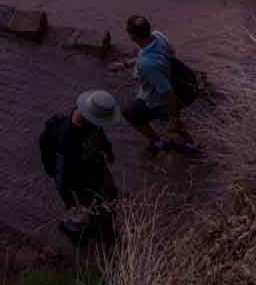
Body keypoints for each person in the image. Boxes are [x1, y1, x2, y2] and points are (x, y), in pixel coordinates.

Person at [42, 90, 120, 247]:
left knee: (110, 197)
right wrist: (69, 200)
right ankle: (88, 233)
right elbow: (61, 173)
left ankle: (100, 231)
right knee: (98, 211)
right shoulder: (67, 140)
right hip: (81, 182)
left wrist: (108, 150)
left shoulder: (91, 122)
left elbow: (100, 135)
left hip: (96, 168)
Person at [121, 15, 199, 158]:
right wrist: (126, 64)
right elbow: (166, 55)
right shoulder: (159, 36)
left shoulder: (146, 64)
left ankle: (159, 143)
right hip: (183, 83)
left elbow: (167, 92)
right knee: (170, 114)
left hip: (166, 94)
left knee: (130, 113)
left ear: (132, 36)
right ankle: (191, 144)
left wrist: (174, 118)